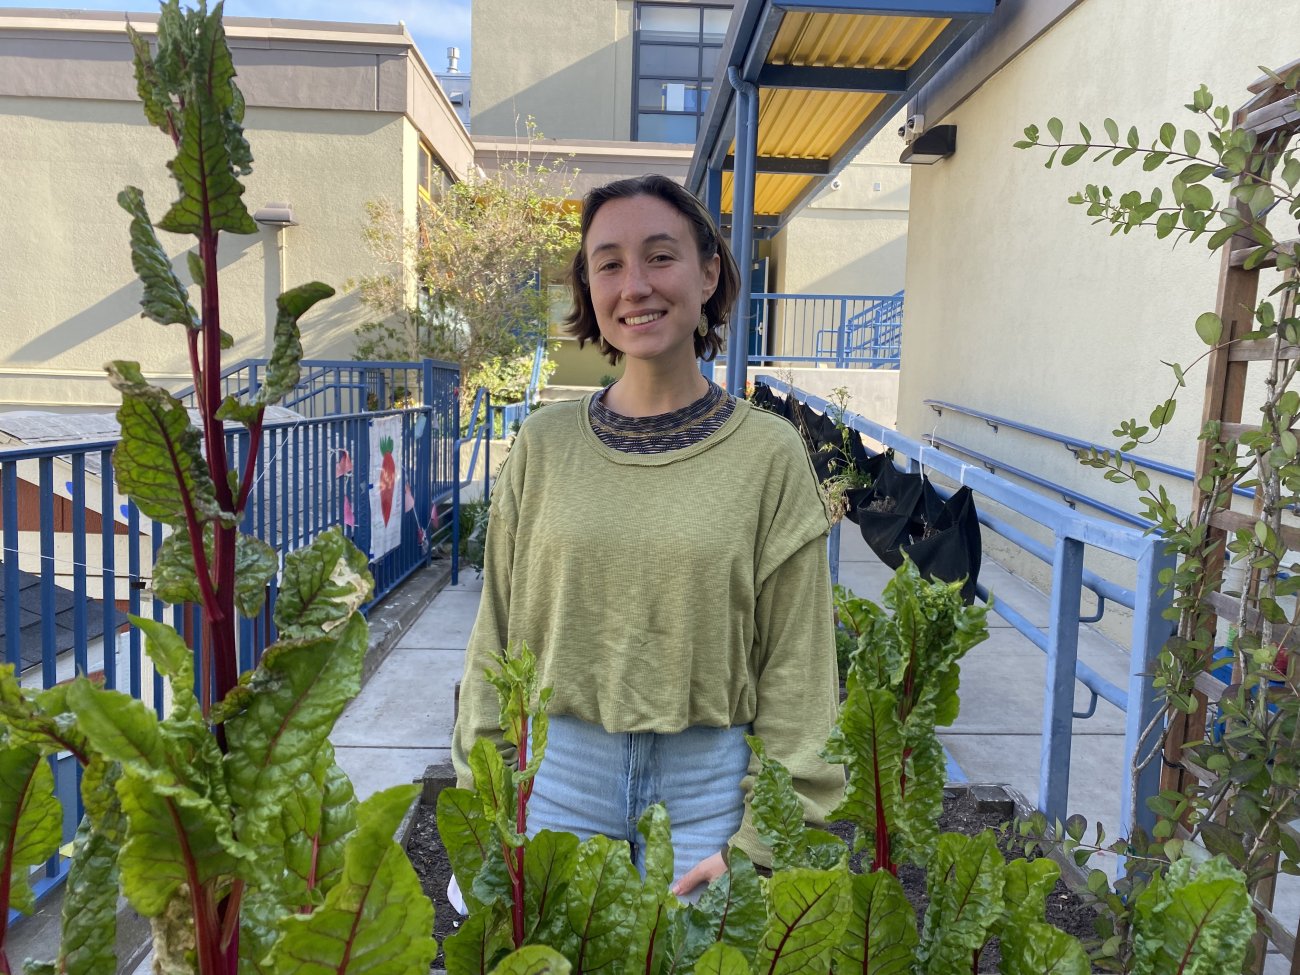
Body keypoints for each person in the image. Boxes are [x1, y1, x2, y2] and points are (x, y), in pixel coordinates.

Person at [450, 173, 843, 899]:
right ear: (590, 288)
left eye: (660, 256)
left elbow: (799, 661)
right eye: (609, 263)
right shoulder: (544, 444)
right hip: (555, 775)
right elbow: (495, 630)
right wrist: (487, 781)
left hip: (711, 789)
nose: (635, 285)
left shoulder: (769, 453)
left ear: (709, 272)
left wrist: (765, 836)